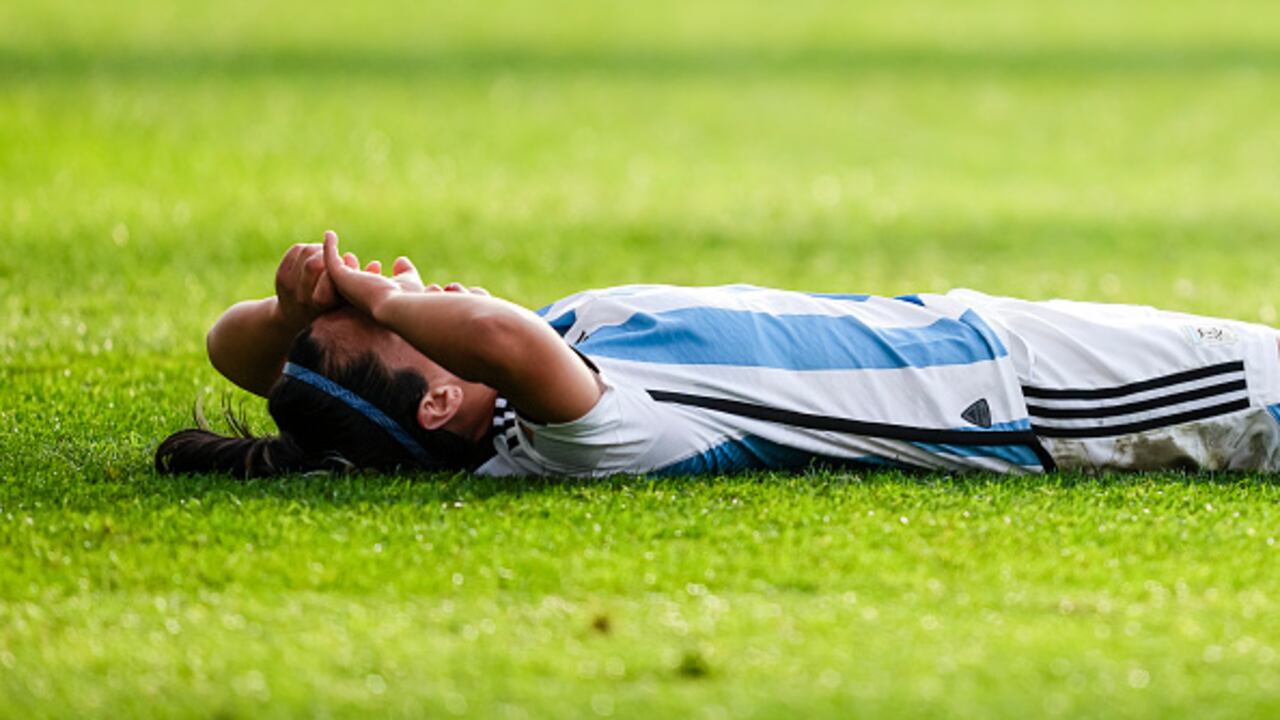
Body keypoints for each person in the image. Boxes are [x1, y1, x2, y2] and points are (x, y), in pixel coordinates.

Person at [156, 232, 1280, 478]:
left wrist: (295, 307)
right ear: (443, 402)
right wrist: (377, 295)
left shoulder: (509, 379)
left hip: (977, 339)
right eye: (404, 328)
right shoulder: (566, 432)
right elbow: (496, 335)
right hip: (1025, 396)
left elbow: (235, 352)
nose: (414, 288)